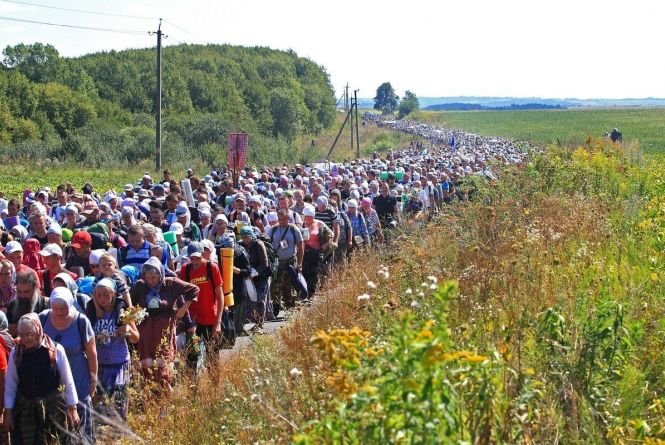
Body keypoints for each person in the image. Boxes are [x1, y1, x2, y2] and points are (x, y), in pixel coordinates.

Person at [4, 313, 79, 444]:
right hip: (26, 411)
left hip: (53, 410)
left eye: (29, 334)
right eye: (22, 334)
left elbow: (67, 380)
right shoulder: (16, 353)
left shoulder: (56, 350)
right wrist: (8, 413)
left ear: (38, 329)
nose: (25, 339)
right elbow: (11, 385)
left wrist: (73, 409)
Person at [40, 287, 97, 444]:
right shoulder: (43, 318)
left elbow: (92, 354)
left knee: (81, 430)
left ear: (70, 304)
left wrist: (93, 380)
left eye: (63, 308)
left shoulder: (80, 321)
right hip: (51, 384)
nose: (59, 312)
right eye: (55, 308)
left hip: (79, 380)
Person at [130, 257, 199, 386]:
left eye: (154, 278)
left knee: (163, 366)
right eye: (148, 278)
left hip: (164, 330)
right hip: (145, 331)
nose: (151, 281)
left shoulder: (170, 284)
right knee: (146, 365)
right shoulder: (140, 286)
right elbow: (129, 304)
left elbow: (194, 289)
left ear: (161, 274)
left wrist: (183, 308)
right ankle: (149, 397)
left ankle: (165, 396)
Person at [86, 278, 139, 420]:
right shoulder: (91, 313)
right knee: (100, 405)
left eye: (106, 294)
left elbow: (136, 338)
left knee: (118, 402)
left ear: (113, 294)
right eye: (98, 295)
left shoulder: (122, 312)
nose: (102, 298)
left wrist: (128, 329)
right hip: (100, 364)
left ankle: (119, 432)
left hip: (119, 363)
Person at [178, 242, 224, 356]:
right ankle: (193, 374)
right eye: (191, 258)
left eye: (197, 257)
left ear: (203, 254)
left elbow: (220, 295)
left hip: (210, 319)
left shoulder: (211, 267)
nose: (194, 261)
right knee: (193, 354)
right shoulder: (186, 269)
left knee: (212, 355)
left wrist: (218, 322)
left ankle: (213, 374)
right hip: (193, 321)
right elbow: (182, 294)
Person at [267, 210, 304, 311]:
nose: (282, 221)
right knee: (275, 285)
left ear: (288, 219)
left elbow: (301, 247)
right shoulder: (273, 229)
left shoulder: (294, 229)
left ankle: (290, 308)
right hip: (277, 263)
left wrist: (299, 264)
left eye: (284, 219)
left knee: (289, 286)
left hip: (290, 262)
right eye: (280, 219)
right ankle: (276, 305)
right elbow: (267, 244)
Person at [238, 226, 270, 332]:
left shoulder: (258, 244)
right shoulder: (240, 245)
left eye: (247, 236)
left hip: (262, 276)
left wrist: (255, 272)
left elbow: (265, 263)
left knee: (261, 299)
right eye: (243, 237)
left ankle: (259, 324)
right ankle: (247, 321)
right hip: (248, 276)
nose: (245, 239)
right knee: (249, 299)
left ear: (251, 235)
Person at [6, 271, 49, 337]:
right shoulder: (12, 306)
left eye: (27, 292)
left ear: (35, 288)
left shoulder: (45, 305)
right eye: (19, 292)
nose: (23, 296)